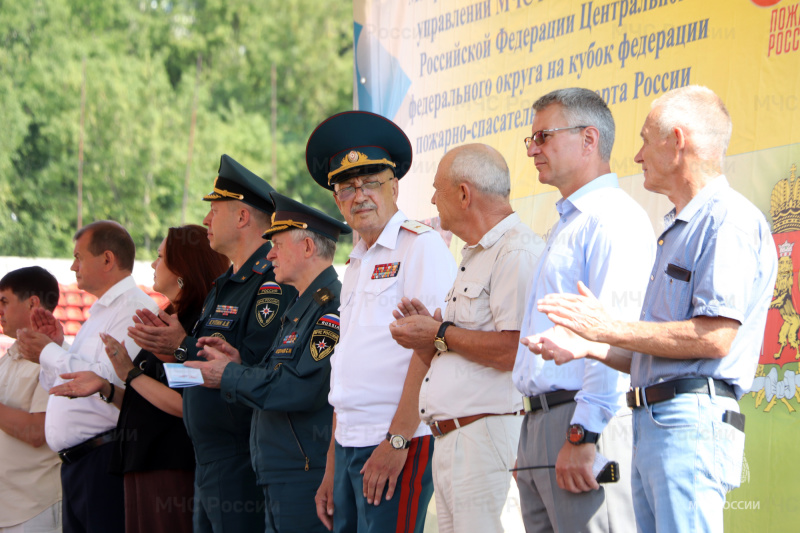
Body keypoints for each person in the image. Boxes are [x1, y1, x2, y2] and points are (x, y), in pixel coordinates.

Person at [530, 85, 778, 533]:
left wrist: (608, 327)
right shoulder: (678, 228)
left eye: (646, 140)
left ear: (677, 140)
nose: (637, 155)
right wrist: (590, 346)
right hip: (658, 422)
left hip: (689, 421)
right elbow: (656, 351)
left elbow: (713, 338)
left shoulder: (728, 220)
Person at [120, 155, 295, 532]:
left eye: (214, 210)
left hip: (240, 453)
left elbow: (252, 368)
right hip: (207, 453)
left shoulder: (270, 283)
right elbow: (198, 368)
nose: (205, 221)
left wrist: (180, 346)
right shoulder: (222, 286)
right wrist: (169, 352)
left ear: (243, 217)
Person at [511, 88, 655, 533]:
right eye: (531, 139)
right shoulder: (570, 222)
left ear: (589, 139)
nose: (533, 149)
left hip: (580, 420)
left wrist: (584, 432)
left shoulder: (611, 219)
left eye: (544, 136)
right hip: (541, 422)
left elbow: (614, 333)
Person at [307, 111, 456, 532]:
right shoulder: (356, 261)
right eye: (347, 187)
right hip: (349, 441)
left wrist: (397, 441)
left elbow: (434, 349)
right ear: (336, 200)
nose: (360, 195)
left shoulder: (420, 247)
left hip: (396, 441)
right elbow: (348, 367)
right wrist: (332, 466)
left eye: (371, 181)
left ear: (394, 186)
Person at [388, 143, 544, 532]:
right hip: (457, 438)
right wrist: (432, 335)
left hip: (486, 437)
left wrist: (440, 332)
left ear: (463, 193)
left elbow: (516, 349)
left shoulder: (516, 251)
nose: (432, 199)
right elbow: (459, 340)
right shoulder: (476, 254)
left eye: (437, 189)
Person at [186, 193, 350, 533]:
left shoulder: (329, 311)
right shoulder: (301, 309)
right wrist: (239, 361)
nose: (270, 253)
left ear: (307, 248)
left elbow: (299, 388)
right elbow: (278, 374)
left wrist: (228, 375)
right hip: (280, 473)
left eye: (277, 244)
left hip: (305, 476)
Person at [48, 225, 229, 533]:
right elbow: (142, 396)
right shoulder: (169, 318)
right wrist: (107, 385)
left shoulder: (200, 324)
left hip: (170, 463)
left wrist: (129, 374)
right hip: (140, 462)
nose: (153, 264)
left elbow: (185, 399)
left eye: (160, 257)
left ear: (183, 269)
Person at [17, 221, 160, 533]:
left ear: (107, 259)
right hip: (81, 463)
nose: (73, 266)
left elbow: (109, 383)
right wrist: (56, 347)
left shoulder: (134, 309)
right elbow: (67, 386)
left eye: (79, 257)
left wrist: (48, 352)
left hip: (103, 458)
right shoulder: (101, 314)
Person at [0, 267, 62, 533]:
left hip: (35, 508)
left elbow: (38, 431)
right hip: (10, 508)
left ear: (33, 302)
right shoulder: (9, 358)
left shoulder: (54, 359)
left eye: (3, 301)